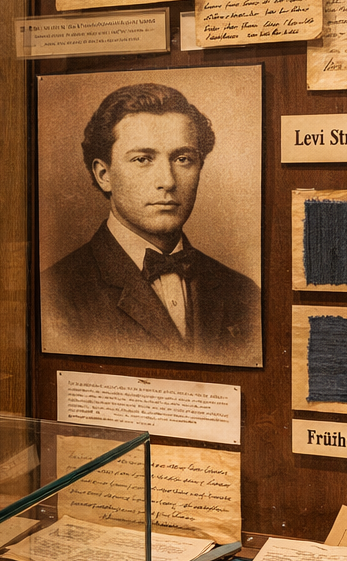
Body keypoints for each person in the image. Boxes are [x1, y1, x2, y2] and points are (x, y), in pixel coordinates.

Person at [41, 82, 260, 366]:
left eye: (183, 159)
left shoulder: (242, 291)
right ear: (104, 174)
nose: (167, 182)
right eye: (143, 159)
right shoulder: (54, 293)